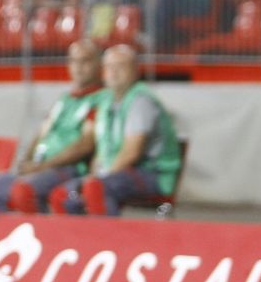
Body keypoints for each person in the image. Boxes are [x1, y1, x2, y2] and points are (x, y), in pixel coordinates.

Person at [0, 40, 103, 214]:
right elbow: (42, 132)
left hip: (70, 169)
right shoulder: (65, 99)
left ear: (99, 63)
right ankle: (9, 238)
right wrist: (27, 161)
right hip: (40, 166)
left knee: (24, 191)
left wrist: (41, 167)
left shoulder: (101, 99)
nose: (78, 67)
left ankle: (43, 239)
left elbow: (85, 145)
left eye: (85, 61)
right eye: (73, 61)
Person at [53, 44, 182, 216]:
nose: (114, 72)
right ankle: (78, 241)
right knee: (63, 195)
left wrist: (99, 178)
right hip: (118, 172)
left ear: (135, 71)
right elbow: (102, 149)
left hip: (151, 173)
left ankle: (106, 240)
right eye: (109, 67)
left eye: (121, 66)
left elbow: (131, 152)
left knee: (95, 188)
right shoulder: (107, 101)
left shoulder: (140, 100)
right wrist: (94, 175)